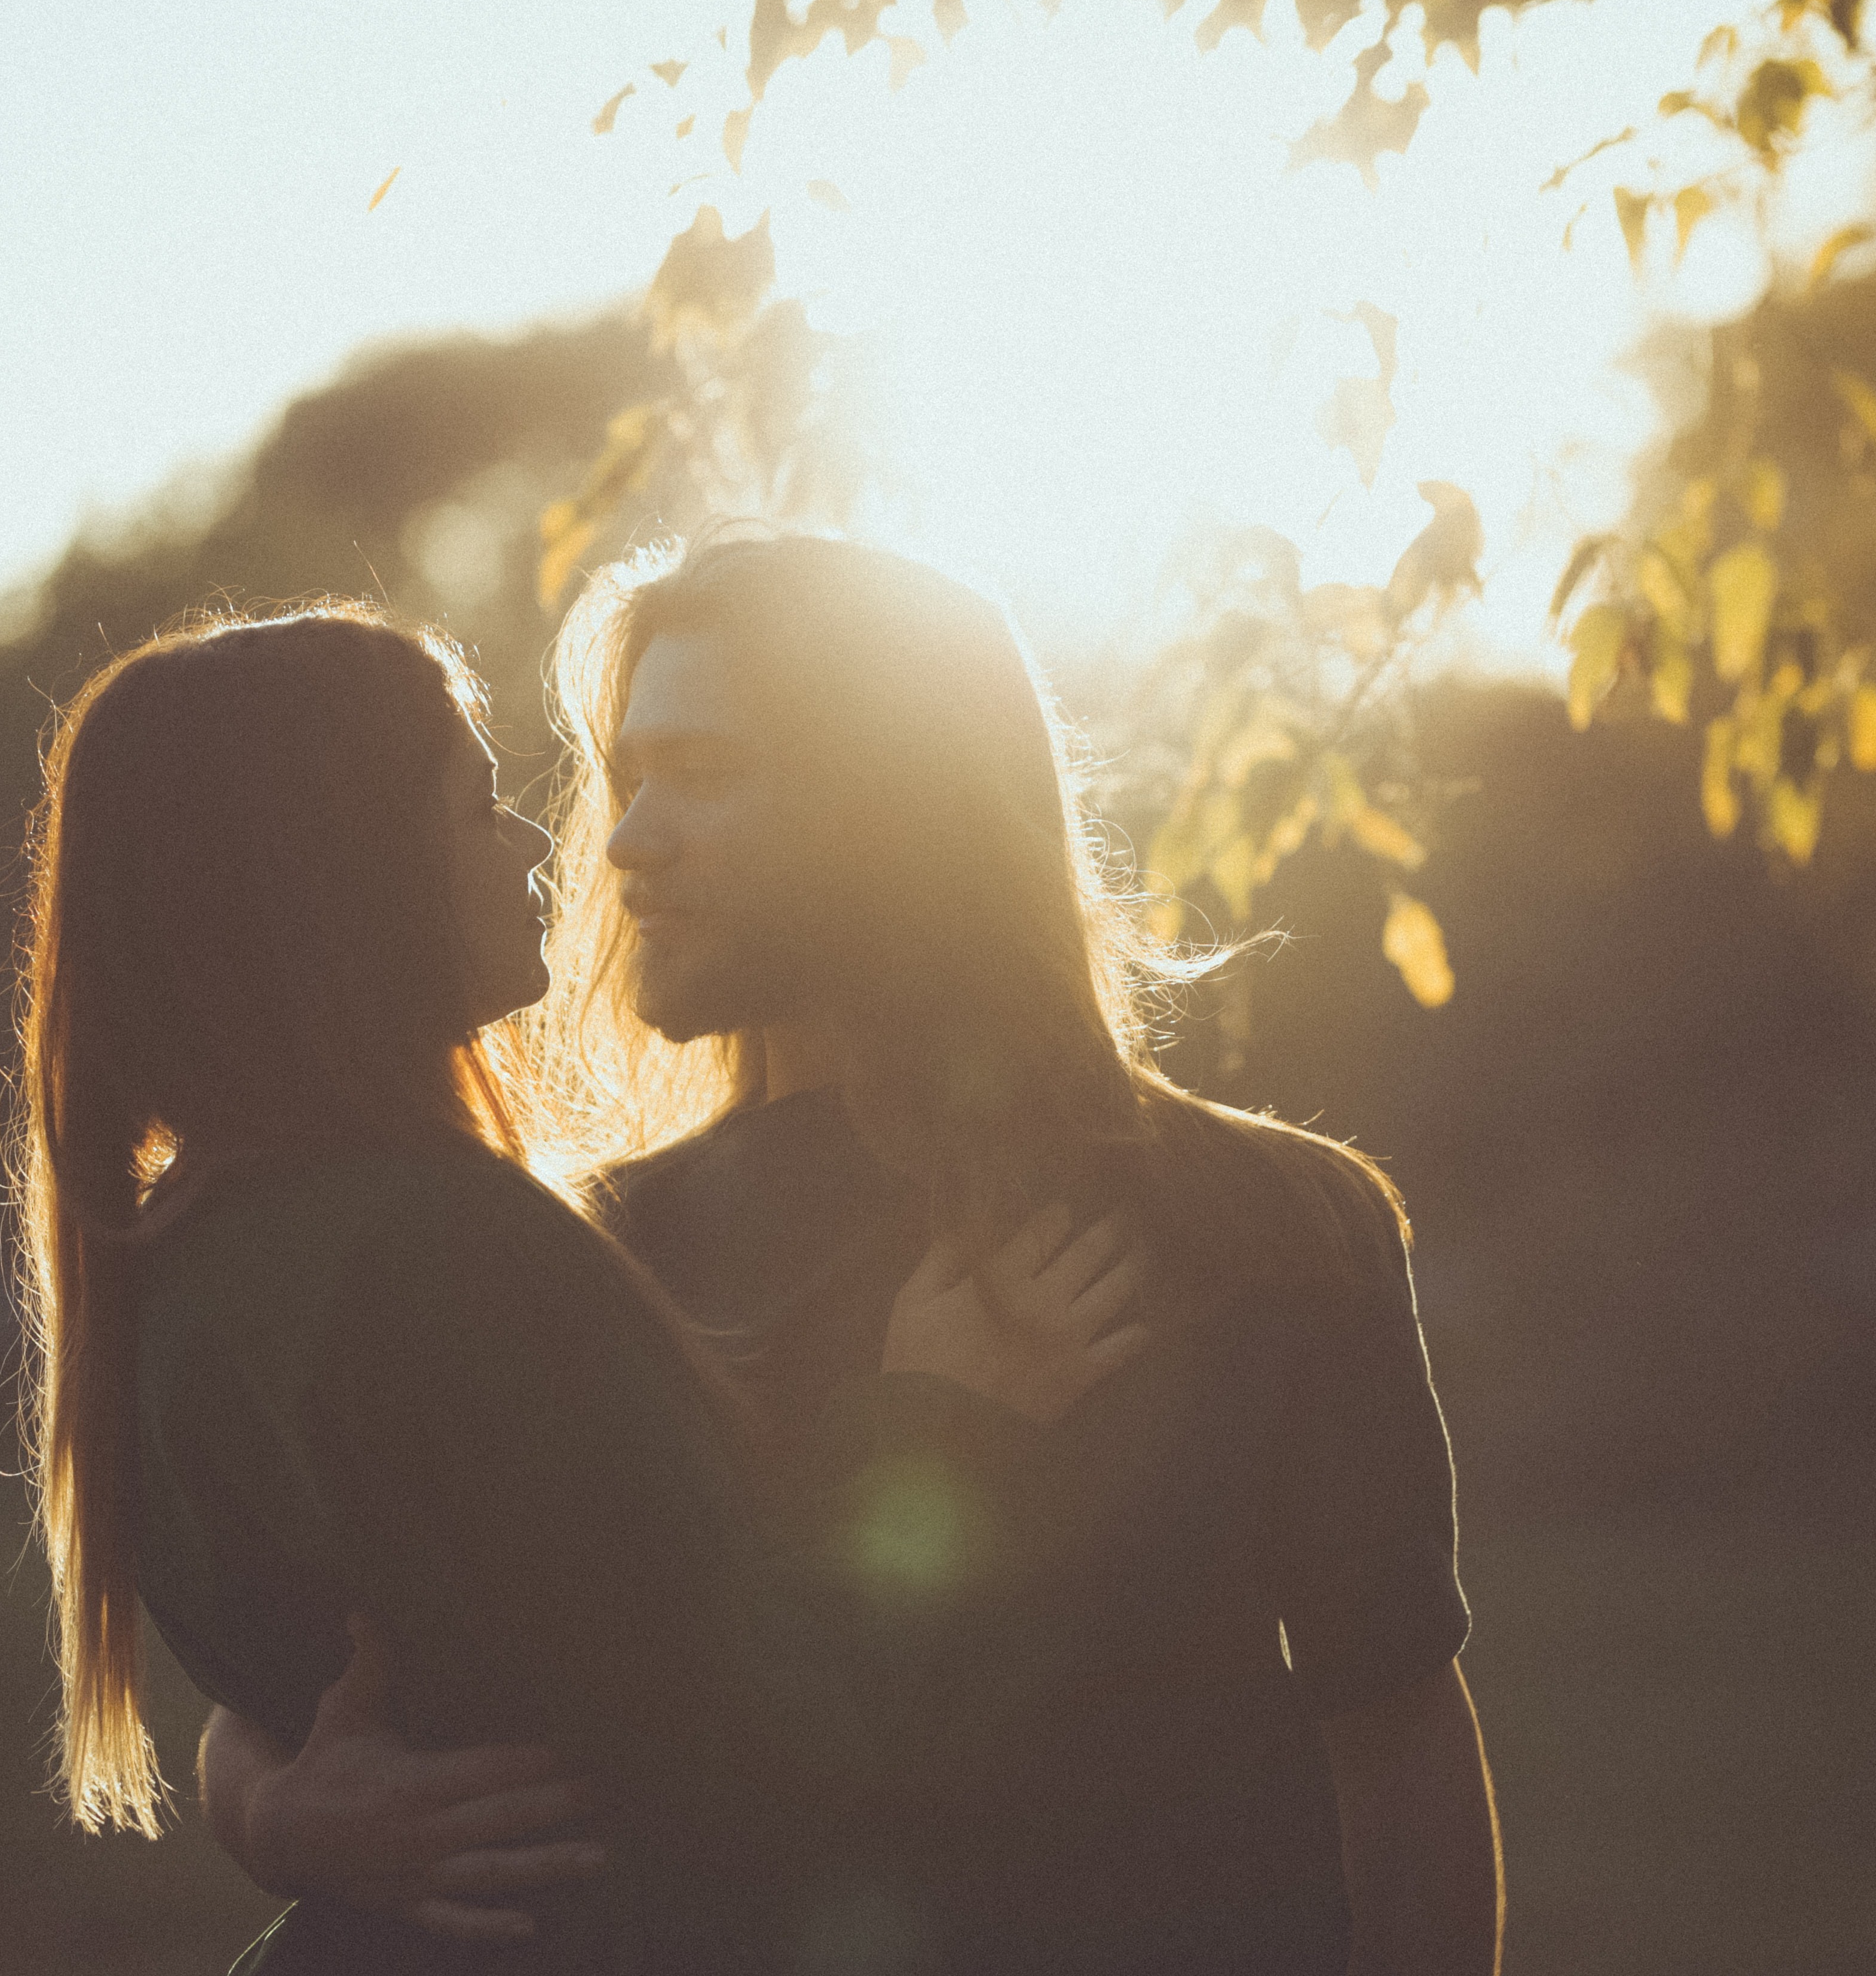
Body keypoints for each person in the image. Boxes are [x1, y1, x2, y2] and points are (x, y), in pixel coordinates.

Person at [205, 540, 1504, 1974]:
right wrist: (279, 1816)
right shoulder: (575, 1263)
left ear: (900, 803)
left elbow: (1397, 1747)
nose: (628, 838)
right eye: (624, 777)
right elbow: (313, 1698)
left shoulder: (1269, 1226)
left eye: (702, 770)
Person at [10, 605, 1152, 1974]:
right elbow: (750, 1744)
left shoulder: (177, 1256)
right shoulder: (446, 1257)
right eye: (480, 809)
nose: (558, 846)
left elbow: (413, 1674)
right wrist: (936, 1419)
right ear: (349, 880)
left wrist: (272, 1810)